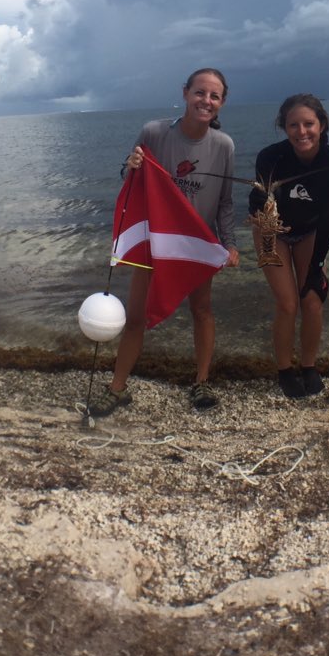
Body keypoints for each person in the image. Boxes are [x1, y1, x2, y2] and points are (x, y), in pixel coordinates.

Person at [89, 68, 239, 415]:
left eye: (214, 96)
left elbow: (226, 202)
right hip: (156, 241)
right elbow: (130, 180)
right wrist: (132, 165)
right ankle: (117, 388)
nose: (206, 100)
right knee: (137, 316)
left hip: (196, 244)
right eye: (200, 92)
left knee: (202, 311)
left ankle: (201, 382)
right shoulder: (153, 132)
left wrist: (229, 244)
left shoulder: (224, 145)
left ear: (222, 103)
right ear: (186, 93)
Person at [249, 94, 329, 399]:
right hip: (271, 230)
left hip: (311, 232)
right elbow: (258, 201)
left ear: (321, 124)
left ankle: (309, 366)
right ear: (284, 127)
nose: (302, 131)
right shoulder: (269, 157)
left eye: (309, 123)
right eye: (293, 125)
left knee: (311, 300)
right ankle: (284, 369)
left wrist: (317, 266)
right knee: (287, 303)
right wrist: (259, 206)